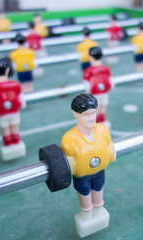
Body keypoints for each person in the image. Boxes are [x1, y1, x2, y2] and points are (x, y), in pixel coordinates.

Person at [61, 93, 116, 238]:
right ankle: (86, 216)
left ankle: (98, 212)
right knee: (85, 195)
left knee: (98, 191)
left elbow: (110, 148)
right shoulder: (69, 139)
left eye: (93, 113)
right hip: (82, 177)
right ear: (75, 114)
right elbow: (69, 163)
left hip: (100, 173)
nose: (91, 118)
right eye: (86, 115)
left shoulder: (103, 131)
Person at [0, 59, 26, 161]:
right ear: (7, 71)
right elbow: (21, 101)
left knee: (5, 130)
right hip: (14, 112)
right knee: (15, 128)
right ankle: (16, 143)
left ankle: (8, 145)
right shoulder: (15, 85)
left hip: (1, 115)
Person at [83, 47, 112, 127]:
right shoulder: (106, 69)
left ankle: (97, 125)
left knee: (95, 111)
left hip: (94, 95)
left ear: (91, 57)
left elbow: (87, 86)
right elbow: (110, 82)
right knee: (103, 108)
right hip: (104, 93)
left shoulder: (88, 71)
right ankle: (102, 122)